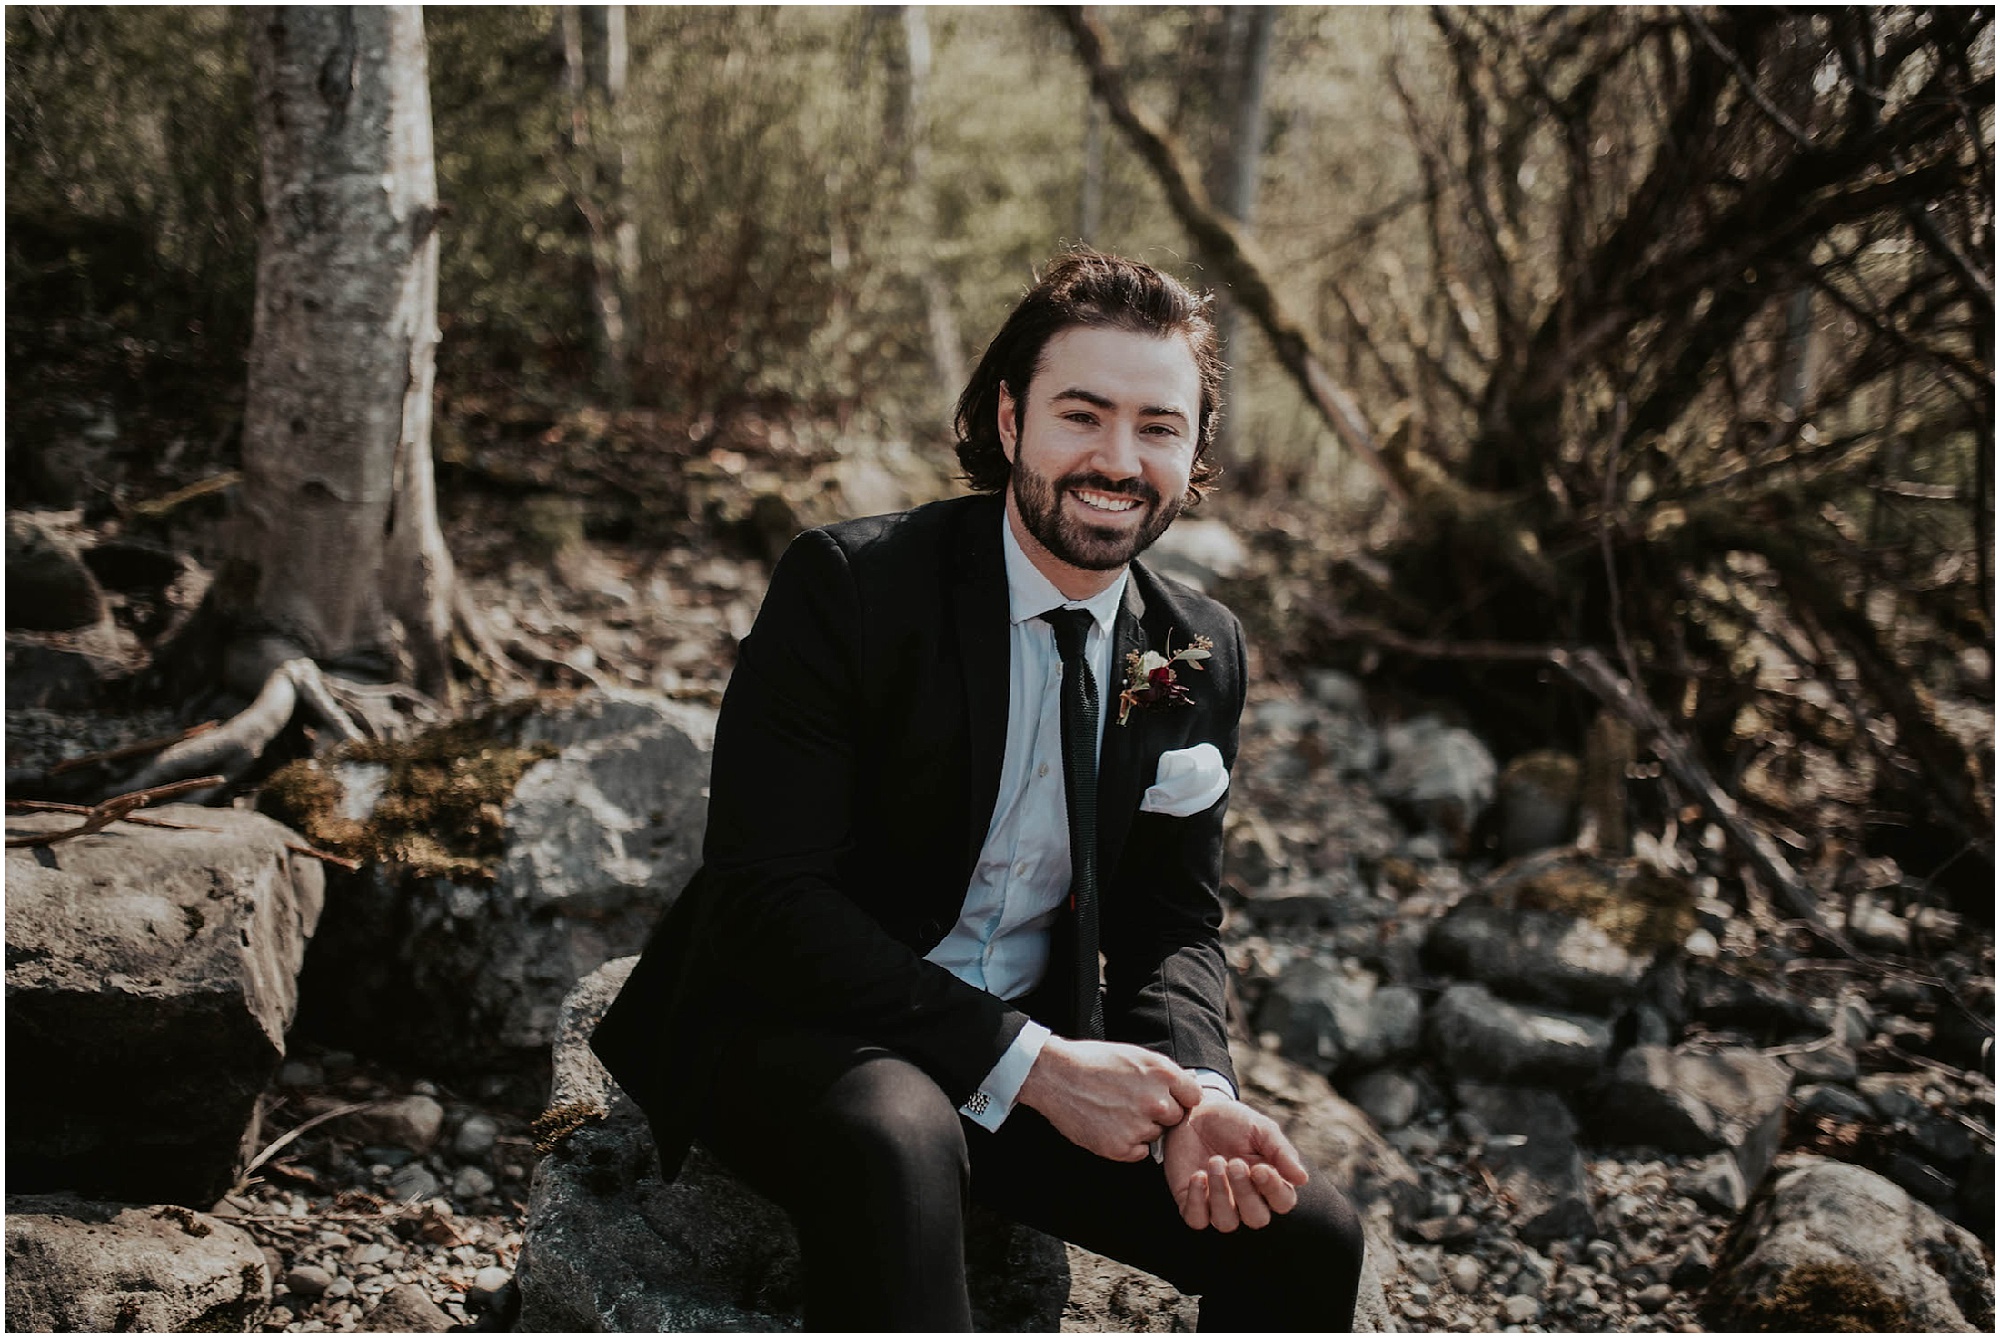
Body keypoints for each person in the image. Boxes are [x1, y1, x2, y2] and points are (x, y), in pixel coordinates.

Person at [591, 251, 1365, 1330]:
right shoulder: (851, 589)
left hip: (1028, 1053)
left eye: (1156, 427)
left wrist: (1196, 1093)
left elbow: (1172, 922)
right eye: (1081, 415)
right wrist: (1038, 1068)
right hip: (798, 1026)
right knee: (898, 1138)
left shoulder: (1197, 649)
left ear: (1192, 456)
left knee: (1306, 1235)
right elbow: (762, 898)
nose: (1116, 459)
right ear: (1007, 421)